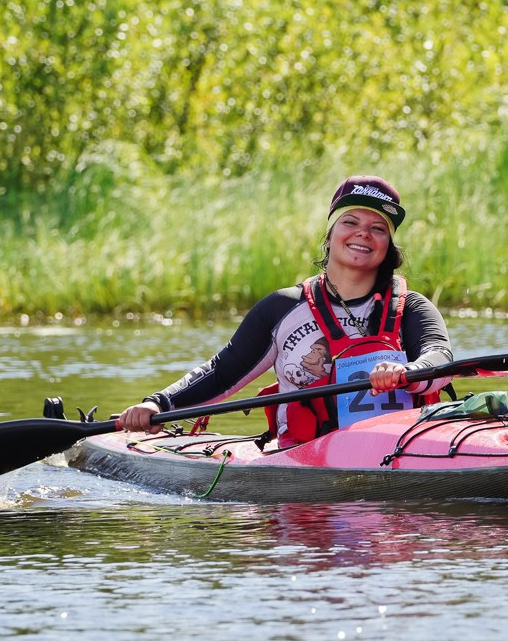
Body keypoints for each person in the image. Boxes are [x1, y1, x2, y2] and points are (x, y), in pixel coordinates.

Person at [118, 175, 454, 447]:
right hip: (303, 454)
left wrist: (410, 371)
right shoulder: (282, 308)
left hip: (401, 448)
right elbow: (222, 373)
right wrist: (157, 404)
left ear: (388, 247)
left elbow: (440, 358)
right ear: (330, 236)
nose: (363, 233)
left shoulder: (411, 308)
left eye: (378, 228)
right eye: (350, 221)